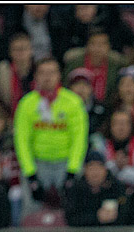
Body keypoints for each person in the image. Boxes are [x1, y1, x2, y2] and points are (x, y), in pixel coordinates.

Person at [13, 57, 88, 203]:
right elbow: (22, 140)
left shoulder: (73, 102)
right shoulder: (26, 104)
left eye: (52, 72)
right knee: (31, 210)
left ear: (59, 75)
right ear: (35, 76)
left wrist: (72, 171)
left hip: (65, 163)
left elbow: (79, 139)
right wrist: (30, 174)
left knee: (72, 208)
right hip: (37, 164)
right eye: (43, 73)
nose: (47, 77)